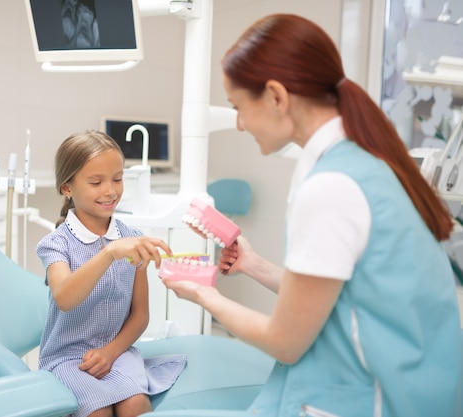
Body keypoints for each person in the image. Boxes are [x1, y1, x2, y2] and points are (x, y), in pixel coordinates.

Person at [161, 14, 462, 417]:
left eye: (238, 107)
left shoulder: (331, 188)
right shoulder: (365, 163)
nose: (237, 123)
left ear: (276, 96)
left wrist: (202, 294)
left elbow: (286, 340)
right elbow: (342, 297)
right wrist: (255, 266)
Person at [36, 130, 186, 417]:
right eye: (96, 182)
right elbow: (65, 297)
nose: (110, 190)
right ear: (67, 187)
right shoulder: (56, 244)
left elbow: (140, 315)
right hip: (67, 358)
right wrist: (109, 252)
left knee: (135, 406)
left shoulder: (133, 238)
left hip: (118, 351)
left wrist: (111, 352)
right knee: (98, 411)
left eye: (117, 179)